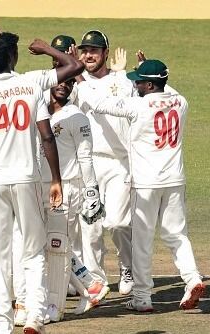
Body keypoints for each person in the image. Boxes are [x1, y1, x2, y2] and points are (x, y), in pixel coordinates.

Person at [0, 33, 86, 329]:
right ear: (13, 58)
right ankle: (34, 316)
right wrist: (44, 49)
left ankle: (3, 325)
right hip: (26, 178)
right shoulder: (30, 82)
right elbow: (74, 68)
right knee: (32, 250)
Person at [77, 59, 206, 312]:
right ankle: (192, 278)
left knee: (143, 241)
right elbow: (169, 89)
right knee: (176, 234)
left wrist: (80, 80)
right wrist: (152, 73)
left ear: (149, 84)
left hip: (146, 183)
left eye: (139, 81)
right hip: (175, 180)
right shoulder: (181, 102)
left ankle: (142, 298)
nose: (134, 84)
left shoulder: (138, 106)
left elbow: (101, 104)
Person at [42, 74, 110, 322]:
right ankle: (91, 285)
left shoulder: (77, 117)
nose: (64, 85)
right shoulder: (39, 110)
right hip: (43, 186)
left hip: (68, 188)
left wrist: (91, 190)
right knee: (49, 244)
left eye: (70, 82)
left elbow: (86, 156)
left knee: (57, 245)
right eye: (61, 80)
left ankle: (55, 306)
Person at [74, 29, 134, 295]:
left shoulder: (121, 80)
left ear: (105, 54)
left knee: (118, 223)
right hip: (89, 163)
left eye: (94, 50)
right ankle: (97, 282)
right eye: (84, 50)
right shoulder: (75, 83)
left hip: (120, 162)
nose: (88, 55)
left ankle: (127, 267)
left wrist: (123, 73)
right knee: (91, 228)